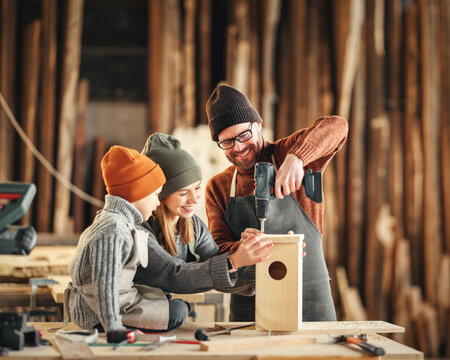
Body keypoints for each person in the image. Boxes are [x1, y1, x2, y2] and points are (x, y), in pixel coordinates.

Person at [204, 83, 348, 322]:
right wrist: (241, 248)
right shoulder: (218, 187)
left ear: (257, 125)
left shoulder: (289, 153)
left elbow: (337, 125)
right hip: (251, 305)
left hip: (309, 298)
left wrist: (297, 159)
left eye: (244, 135)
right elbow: (218, 249)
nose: (238, 147)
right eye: (227, 142)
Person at [133, 133, 273, 330]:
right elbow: (173, 276)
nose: (194, 199)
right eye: (183, 193)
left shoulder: (194, 225)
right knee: (177, 310)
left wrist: (267, 263)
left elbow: (218, 274)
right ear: (161, 195)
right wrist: (233, 261)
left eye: (197, 188)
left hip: (157, 311)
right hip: (126, 313)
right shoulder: (139, 230)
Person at [67, 145, 170, 334]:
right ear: (137, 192)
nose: (157, 204)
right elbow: (104, 287)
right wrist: (115, 330)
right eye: (155, 195)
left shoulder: (119, 220)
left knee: (174, 306)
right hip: (98, 318)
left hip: (115, 305)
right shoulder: (113, 229)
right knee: (177, 312)